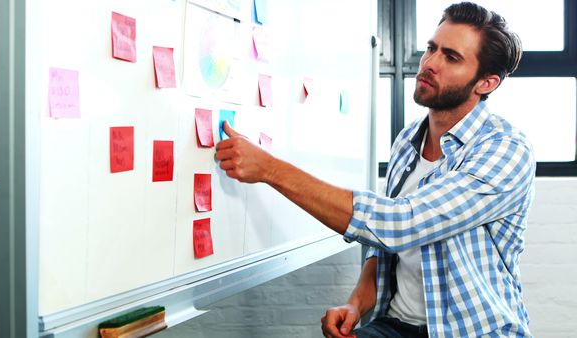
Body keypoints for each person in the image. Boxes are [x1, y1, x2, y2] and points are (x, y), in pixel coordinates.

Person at [215, 1, 534, 337]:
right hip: (395, 325)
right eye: (431, 48)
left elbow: (401, 223)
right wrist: (356, 303)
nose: (429, 63)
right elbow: (383, 245)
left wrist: (269, 169)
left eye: (451, 57)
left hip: (473, 331)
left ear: (486, 82)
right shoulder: (408, 140)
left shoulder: (505, 150)